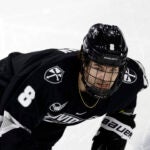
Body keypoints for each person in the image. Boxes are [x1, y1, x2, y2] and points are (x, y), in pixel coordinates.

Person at [0, 23, 148, 150]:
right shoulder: (50, 81)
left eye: (112, 70)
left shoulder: (129, 82)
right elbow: (10, 128)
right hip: (9, 86)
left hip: (50, 113)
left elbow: (124, 109)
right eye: (98, 68)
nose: (105, 78)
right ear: (83, 61)